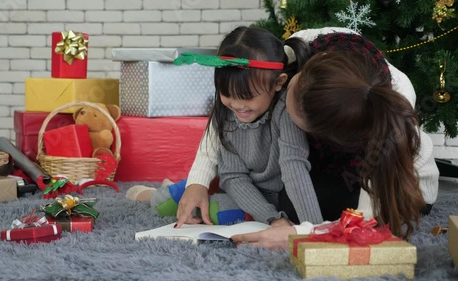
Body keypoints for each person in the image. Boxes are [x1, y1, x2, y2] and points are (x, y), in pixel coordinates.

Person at [178, 27, 438, 249]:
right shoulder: (303, 47)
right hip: (333, 167)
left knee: (310, 211)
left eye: (292, 118)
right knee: (291, 200)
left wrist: (302, 235)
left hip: (393, 184)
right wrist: (197, 182)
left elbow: (365, 221)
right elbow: (224, 116)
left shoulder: (389, 125)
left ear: (324, 134)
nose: (281, 105)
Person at [127, 26, 325, 227]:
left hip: (266, 197)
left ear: (278, 82)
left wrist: (314, 229)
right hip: (237, 188)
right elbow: (233, 176)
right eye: (227, 94)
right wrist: (273, 218)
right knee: (166, 203)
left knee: (212, 212)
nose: (237, 105)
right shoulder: (226, 113)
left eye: (247, 96)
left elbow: (294, 168)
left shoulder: (285, 112)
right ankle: (153, 193)